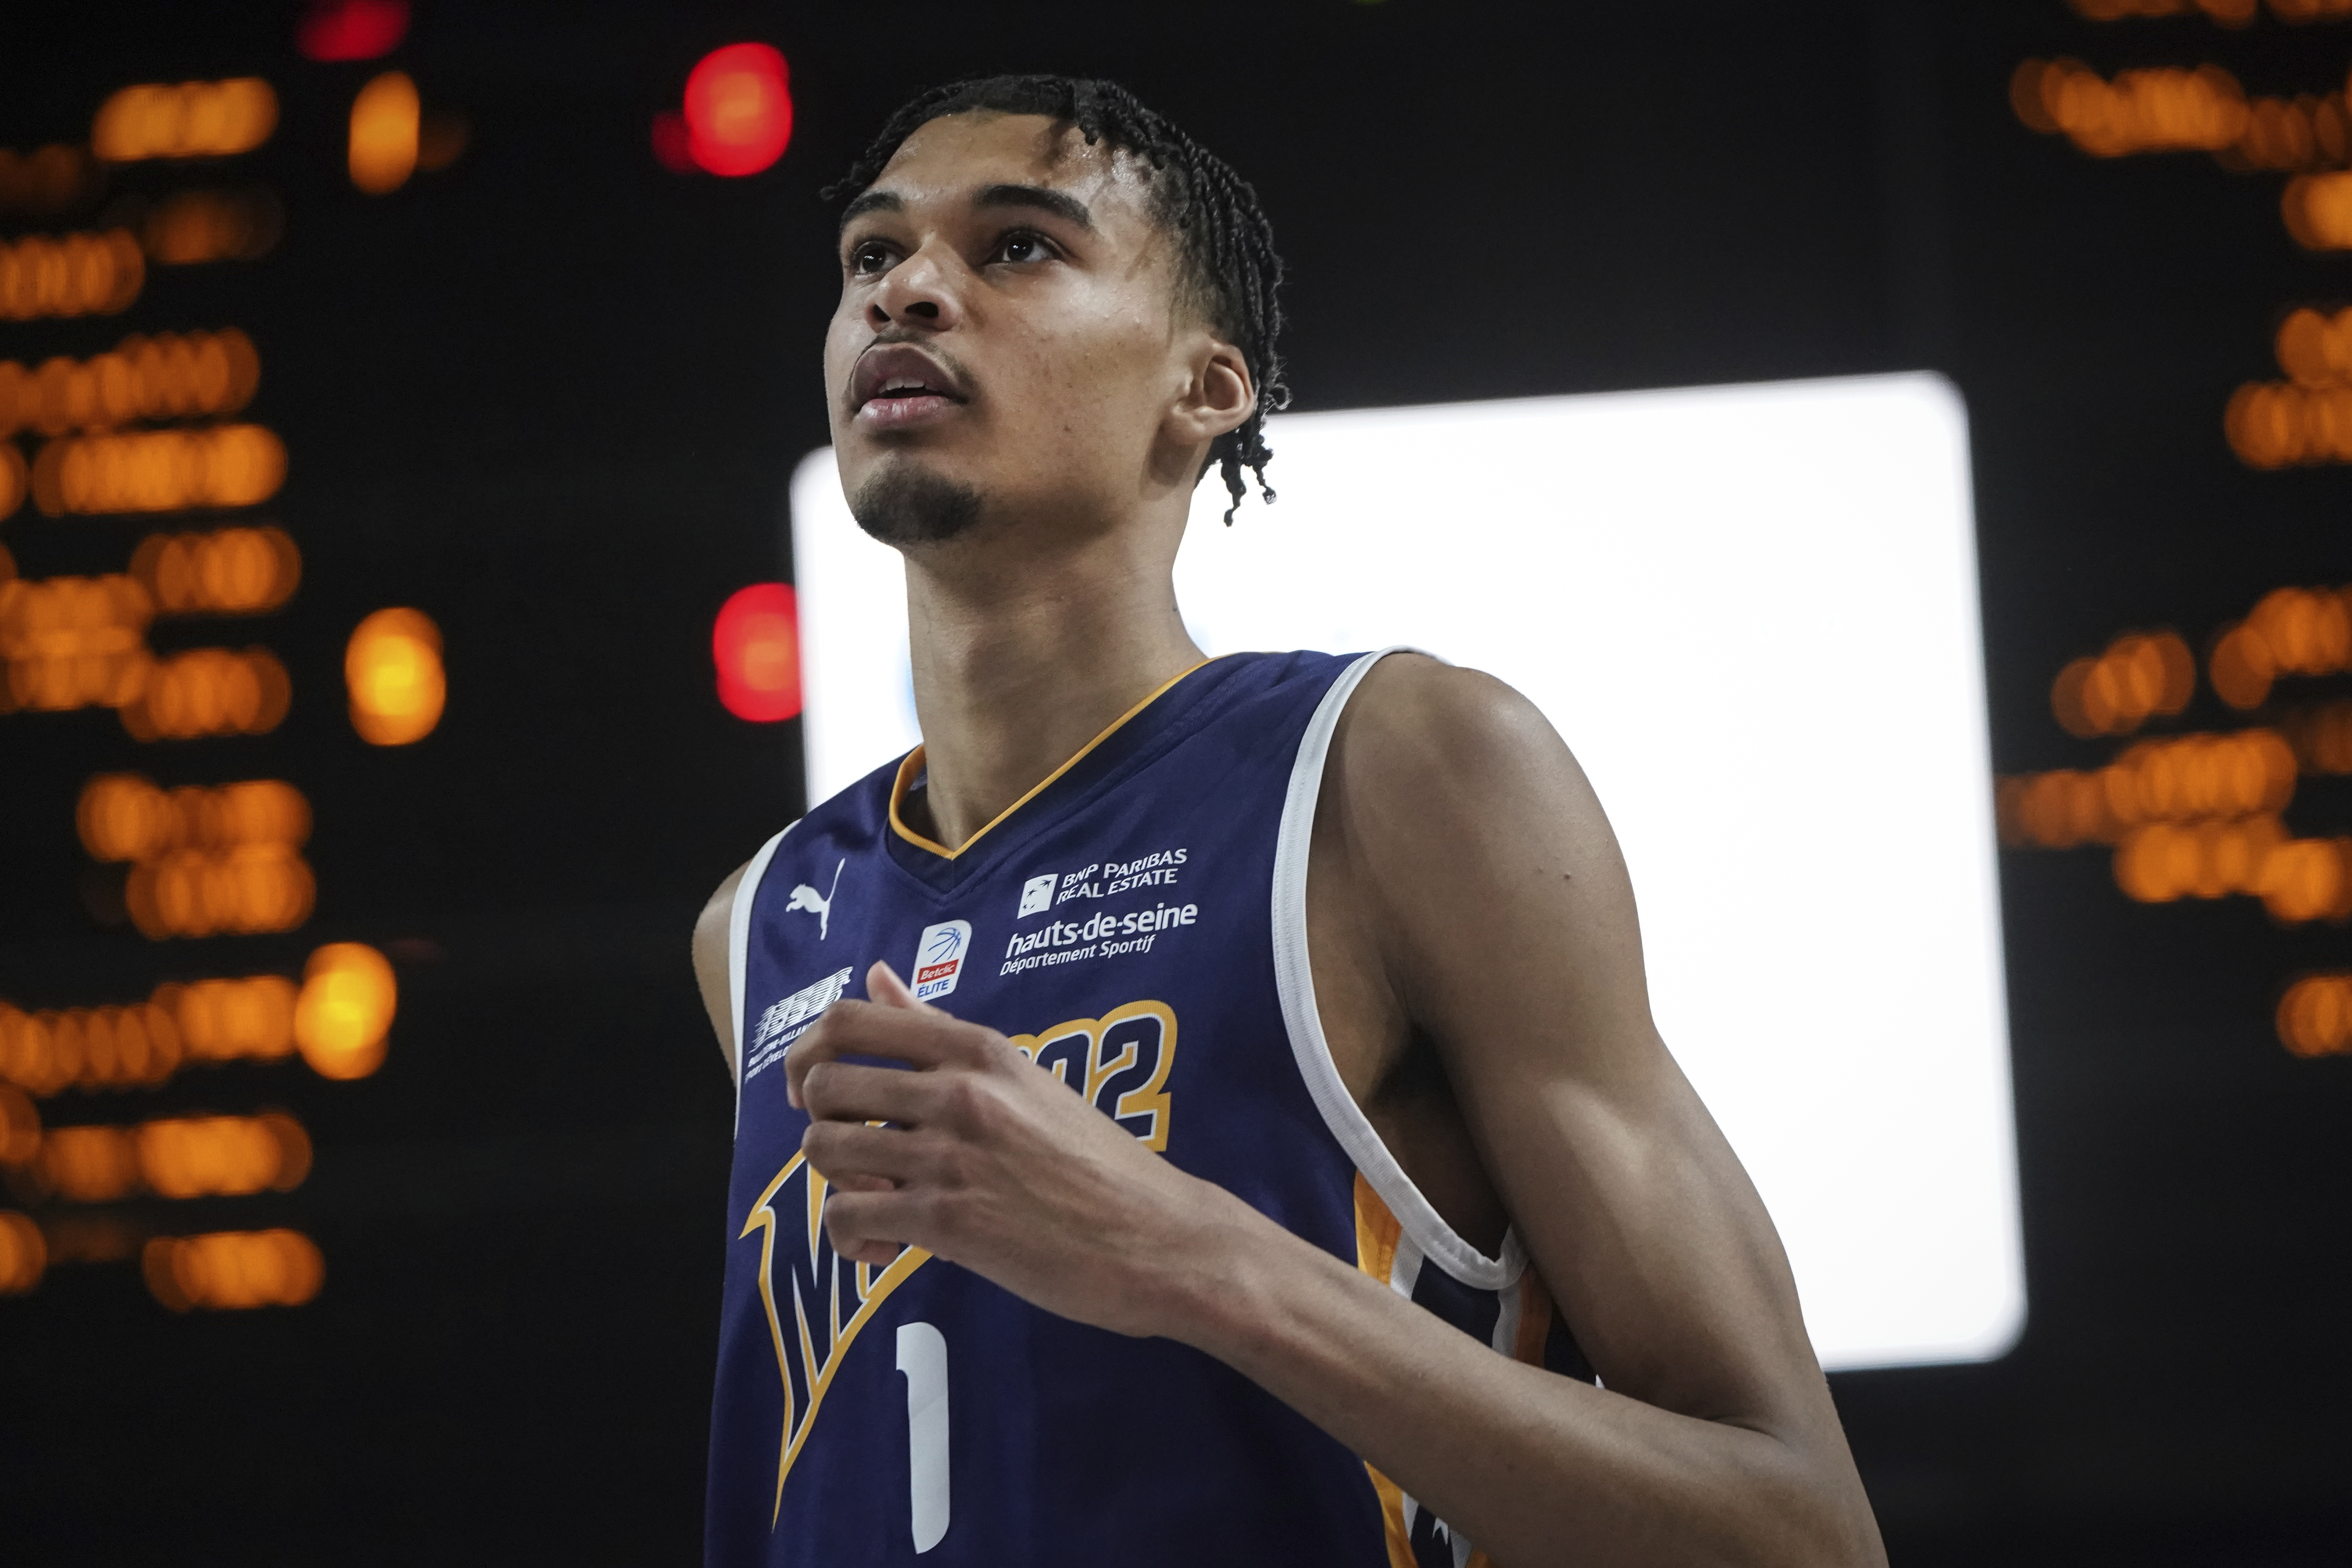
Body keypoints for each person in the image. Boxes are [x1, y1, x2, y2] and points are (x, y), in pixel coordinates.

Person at [692, 74, 1887, 1568]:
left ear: (1205, 389)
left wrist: (1189, 1254)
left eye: (1016, 248)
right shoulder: (762, 924)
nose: (910, 291)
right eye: (872, 258)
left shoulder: (1399, 770)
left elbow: (1800, 1532)